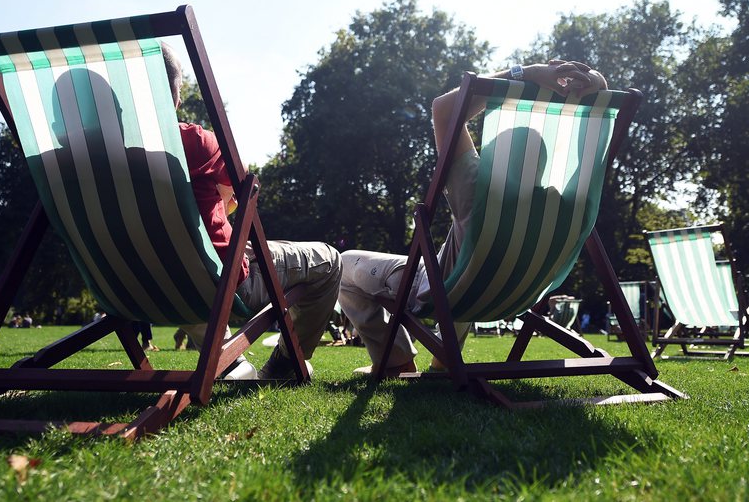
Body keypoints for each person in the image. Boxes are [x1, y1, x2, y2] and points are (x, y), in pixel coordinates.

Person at [338, 61, 607, 375]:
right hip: (513, 295)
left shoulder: (477, 191)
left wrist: (527, 73)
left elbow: (445, 109)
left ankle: (396, 361)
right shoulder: (569, 204)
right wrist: (594, 82)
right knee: (469, 261)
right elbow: (593, 140)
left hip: (444, 288)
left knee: (343, 263)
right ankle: (443, 360)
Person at [161, 43, 341, 380]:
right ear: (168, 90)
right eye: (180, 88)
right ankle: (286, 364)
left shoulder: (76, 160)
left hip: (142, 285)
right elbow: (243, 190)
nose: (181, 99)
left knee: (179, 261)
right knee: (329, 260)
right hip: (219, 282)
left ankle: (229, 361)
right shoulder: (193, 142)